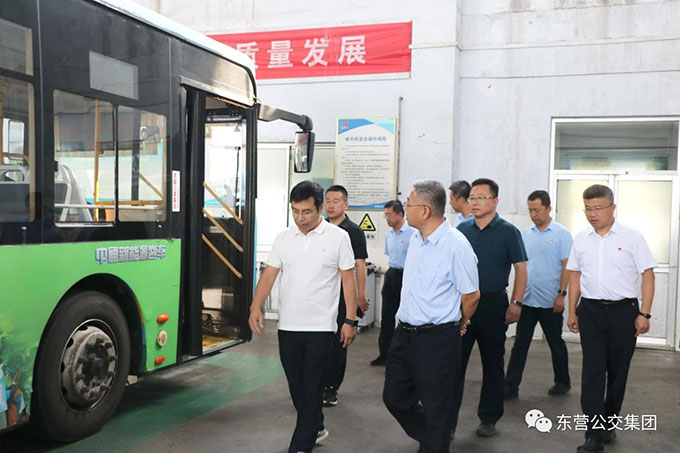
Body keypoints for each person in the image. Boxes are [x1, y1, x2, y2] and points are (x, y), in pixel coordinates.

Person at [248, 180, 358, 453]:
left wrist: (350, 320)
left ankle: (301, 445)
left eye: (307, 212)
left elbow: (348, 280)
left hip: (322, 327)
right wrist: (255, 307)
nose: (300, 218)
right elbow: (269, 275)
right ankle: (316, 426)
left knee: (312, 387)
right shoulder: (284, 238)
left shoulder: (338, 237)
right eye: (295, 211)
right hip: (288, 325)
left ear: (320, 208)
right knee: (297, 386)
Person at [383, 180, 480, 453]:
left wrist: (459, 321)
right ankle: (435, 436)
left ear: (424, 211)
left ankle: (435, 441)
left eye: (409, 204)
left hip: (437, 339)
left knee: (437, 406)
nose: (405, 208)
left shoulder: (456, 245)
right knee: (394, 397)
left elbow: (471, 295)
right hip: (404, 335)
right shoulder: (416, 238)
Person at [566, 184, 656, 453]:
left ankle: (609, 421)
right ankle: (593, 434)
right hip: (591, 312)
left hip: (623, 313)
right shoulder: (581, 239)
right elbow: (575, 275)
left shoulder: (632, 237)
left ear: (612, 208)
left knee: (617, 372)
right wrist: (572, 310)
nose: (592, 214)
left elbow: (647, 274)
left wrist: (645, 313)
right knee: (592, 373)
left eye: (598, 208)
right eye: (588, 209)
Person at [452, 178, 528, 438]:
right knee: (454, 363)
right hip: (463, 305)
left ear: (495, 202)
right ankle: (447, 420)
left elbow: (521, 269)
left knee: (493, 363)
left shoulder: (508, 231)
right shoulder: (462, 230)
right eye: (472, 198)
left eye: (481, 198)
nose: (474, 202)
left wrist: (516, 303)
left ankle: (489, 417)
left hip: (494, 304)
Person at [504, 190, 572, 400]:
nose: (533, 214)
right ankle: (510, 386)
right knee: (520, 344)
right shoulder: (525, 235)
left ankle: (562, 381)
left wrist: (561, 294)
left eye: (537, 210)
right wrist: (516, 299)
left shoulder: (561, 234)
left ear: (548, 209)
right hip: (527, 299)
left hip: (551, 300)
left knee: (555, 342)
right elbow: (521, 267)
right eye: (530, 210)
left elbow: (567, 267)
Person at [322, 185, 369, 407]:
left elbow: (360, 265)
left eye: (336, 201)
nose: (331, 205)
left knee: (339, 341)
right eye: (328, 200)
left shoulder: (353, 231)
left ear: (346, 205)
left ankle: (331, 387)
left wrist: (360, 295)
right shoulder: (319, 228)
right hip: (323, 293)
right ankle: (318, 382)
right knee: (321, 339)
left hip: (343, 295)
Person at [370, 199, 414, 366]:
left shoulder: (412, 234)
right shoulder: (389, 235)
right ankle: (384, 354)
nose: (387, 218)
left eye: (389, 215)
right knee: (387, 316)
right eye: (385, 215)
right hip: (391, 275)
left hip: (407, 276)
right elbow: (391, 256)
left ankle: (406, 356)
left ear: (400, 214)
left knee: (407, 317)